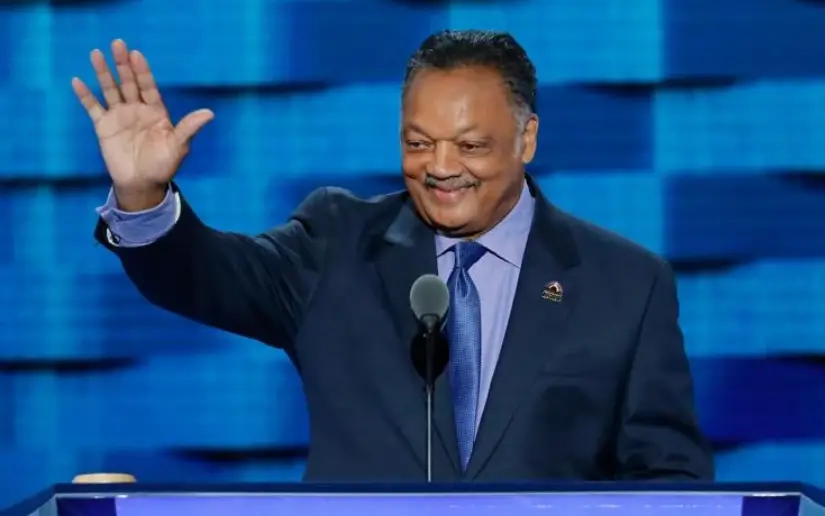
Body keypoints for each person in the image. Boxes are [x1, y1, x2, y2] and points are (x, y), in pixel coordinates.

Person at [73, 30, 714, 482]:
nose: (441, 167)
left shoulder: (626, 283)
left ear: (527, 139)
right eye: (418, 142)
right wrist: (143, 195)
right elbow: (204, 276)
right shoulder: (335, 244)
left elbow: (670, 478)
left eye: (470, 146)